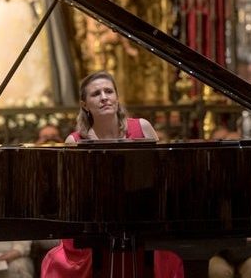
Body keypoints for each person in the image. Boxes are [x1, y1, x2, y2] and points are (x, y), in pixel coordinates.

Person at [41, 71, 182, 278]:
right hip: (92, 226)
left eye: (109, 91)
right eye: (96, 94)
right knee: (59, 261)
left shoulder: (142, 128)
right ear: (85, 104)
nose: (104, 97)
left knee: (166, 253)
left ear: (117, 97)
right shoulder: (75, 141)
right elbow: (72, 195)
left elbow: (162, 180)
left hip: (142, 220)